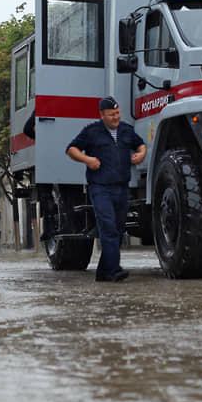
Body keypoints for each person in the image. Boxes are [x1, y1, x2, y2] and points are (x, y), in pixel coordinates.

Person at [66, 96, 146, 282]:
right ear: (102, 115)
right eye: (111, 115)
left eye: (117, 113)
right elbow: (71, 149)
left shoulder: (126, 130)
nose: (116, 117)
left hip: (122, 188)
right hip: (100, 188)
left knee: (117, 229)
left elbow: (140, 144)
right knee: (108, 228)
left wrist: (141, 154)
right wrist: (87, 160)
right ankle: (114, 270)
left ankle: (103, 272)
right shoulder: (91, 131)